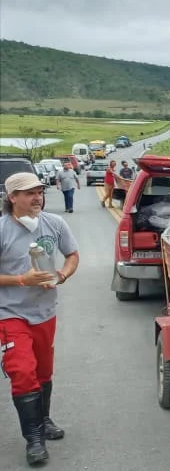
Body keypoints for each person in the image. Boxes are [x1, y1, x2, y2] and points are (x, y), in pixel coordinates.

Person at [0, 172, 80, 466]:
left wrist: (62, 275)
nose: (37, 197)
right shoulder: (2, 230)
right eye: (29, 193)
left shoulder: (54, 223)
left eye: (39, 192)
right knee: (22, 371)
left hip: (45, 312)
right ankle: (34, 439)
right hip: (9, 314)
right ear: (13, 198)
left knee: (43, 371)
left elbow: (72, 255)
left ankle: (43, 419)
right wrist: (22, 280)